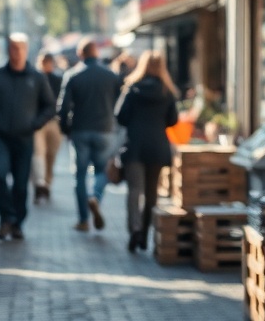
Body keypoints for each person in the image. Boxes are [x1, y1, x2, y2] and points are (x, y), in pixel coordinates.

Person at [0, 32, 56, 240]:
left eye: (20, 48)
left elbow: (49, 106)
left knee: (20, 184)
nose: (16, 52)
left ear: (26, 50)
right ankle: (6, 218)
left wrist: (35, 124)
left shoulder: (36, 78)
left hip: (25, 138)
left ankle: (17, 223)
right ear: (8, 50)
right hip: (0, 136)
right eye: (13, 48)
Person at [114, 50, 178, 252]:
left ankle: (134, 228)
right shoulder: (166, 92)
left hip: (135, 146)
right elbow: (173, 120)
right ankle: (144, 234)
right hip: (157, 146)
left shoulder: (132, 89)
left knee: (134, 191)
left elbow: (120, 116)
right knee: (152, 194)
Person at [57, 37, 121, 232]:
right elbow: (120, 105)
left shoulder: (73, 76)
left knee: (80, 176)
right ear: (97, 53)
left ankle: (84, 219)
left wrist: (66, 129)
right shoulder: (111, 76)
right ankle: (95, 196)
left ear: (80, 54)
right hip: (105, 130)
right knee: (102, 171)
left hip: (80, 131)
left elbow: (63, 107)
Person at [31, 53, 63, 202]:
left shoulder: (57, 79)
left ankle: (47, 184)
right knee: (38, 154)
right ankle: (39, 184)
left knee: (51, 155)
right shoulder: (34, 78)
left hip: (54, 122)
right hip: (38, 123)